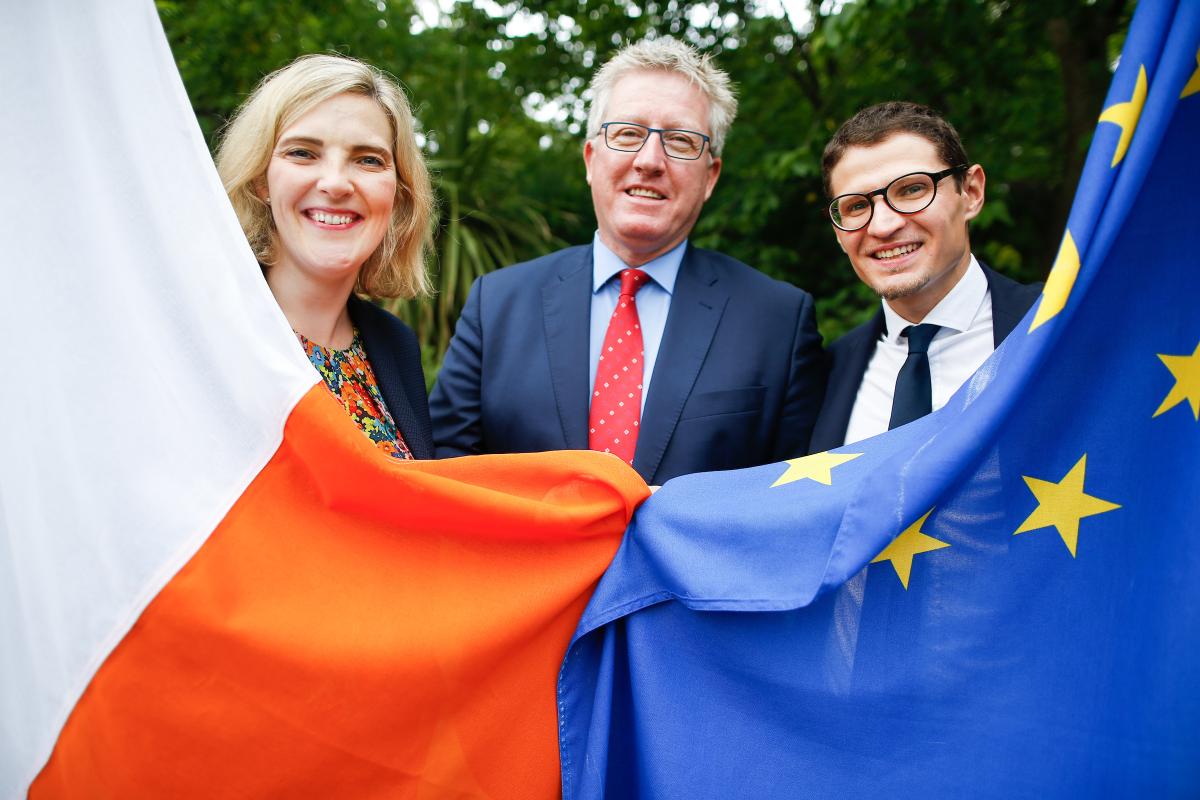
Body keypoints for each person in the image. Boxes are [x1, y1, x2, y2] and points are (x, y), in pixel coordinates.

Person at [430, 38, 824, 484]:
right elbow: (447, 473)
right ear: (590, 158)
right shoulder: (496, 304)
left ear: (711, 176)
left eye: (680, 140)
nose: (649, 160)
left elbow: (795, 501)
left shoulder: (778, 321)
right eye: (628, 134)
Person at [217, 54, 436, 459]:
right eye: (302, 153)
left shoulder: (395, 345)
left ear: (397, 194)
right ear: (260, 181)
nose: (336, 184)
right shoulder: (210, 330)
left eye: (368, 160)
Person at [808, 102, 1042, 453]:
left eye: (912, 189)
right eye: (857, 206)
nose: (884, 225)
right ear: (838, 232)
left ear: (972, 193)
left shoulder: (1059, 324)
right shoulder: (825, 374)